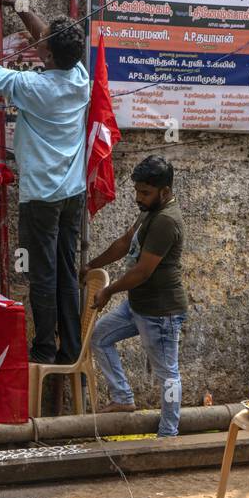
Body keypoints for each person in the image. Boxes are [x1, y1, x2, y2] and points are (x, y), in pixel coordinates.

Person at [0, 0, 89, 365]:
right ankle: (70, 349)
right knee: (65, 272)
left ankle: (43, 350)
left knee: (43, 276)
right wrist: (18, 1)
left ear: (50, 58)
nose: (35, 43)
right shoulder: (79, 77)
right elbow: (50, 39)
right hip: (71, 194)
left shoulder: (35, 87)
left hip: (41, 197)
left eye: (42, 47)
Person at [86, 156, 188, 437]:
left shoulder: (166, 221)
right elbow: (123, 243)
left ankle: (168, 434)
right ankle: (123, 398)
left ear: (165, 192)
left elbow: (142, 271)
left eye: (145, 192)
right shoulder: (149, 212)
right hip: (138, 306)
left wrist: (108, 290)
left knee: (167, 374)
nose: (138, 197)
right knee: (99, 337)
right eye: (137, 191)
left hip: (161, 313)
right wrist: (92, 265)